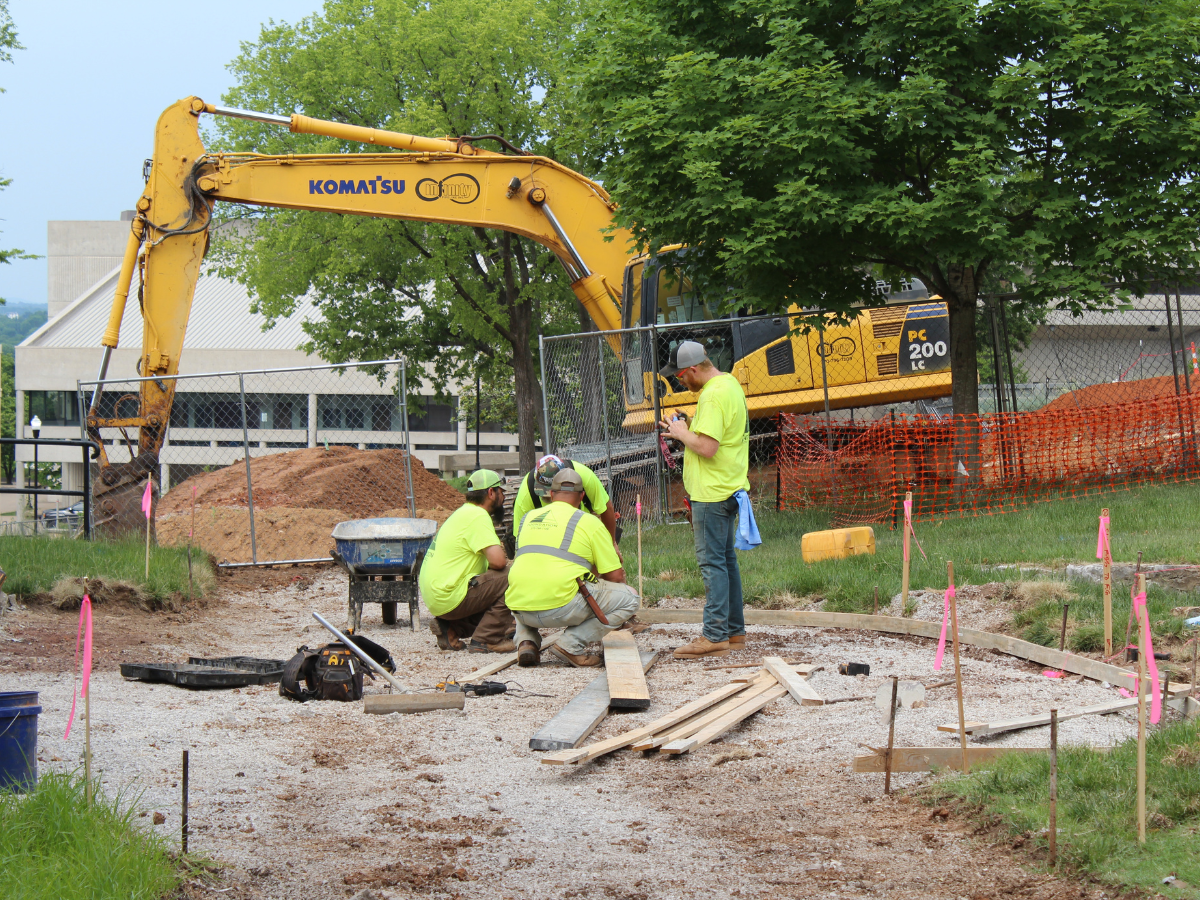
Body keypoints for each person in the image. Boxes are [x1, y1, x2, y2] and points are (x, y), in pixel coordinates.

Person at [658, 340, 750, 659]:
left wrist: (682, 433)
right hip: (729, 486)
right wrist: (683, 431)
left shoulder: (712, 395)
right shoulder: (730, 385)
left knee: (712, 564)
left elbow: (708, 448)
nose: (680, 382)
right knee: (726, 562)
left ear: (694, 370)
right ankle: (734, 631)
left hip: (712, 494)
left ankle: (713, 635)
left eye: (682, 377)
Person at [505, 468, 639, 667]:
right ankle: (570, 644)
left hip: (519, 608)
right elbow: (616, 576)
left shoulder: (527, 519)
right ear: (582, 496)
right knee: (630, 598)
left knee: (527, 585)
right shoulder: (589, 522)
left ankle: (526, 641)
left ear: (550, 493)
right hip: (561, 608)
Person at [417, 469, 515, 654]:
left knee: (492, 585)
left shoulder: (463, 513)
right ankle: (486, 639)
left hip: (437, 597)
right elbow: (499, 562)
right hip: (450, 596)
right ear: (491, 493)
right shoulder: (478, 516)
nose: (504, 496)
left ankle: (452, 629)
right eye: (501, 491)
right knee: (513, 576)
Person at [511, 455, 620, 549]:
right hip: (545, 535)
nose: (552, 499)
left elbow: (605, 508)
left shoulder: (584, 476)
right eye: (545, 495)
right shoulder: (526, 495)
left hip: (581, 528)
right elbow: (520, 538)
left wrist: (612, 544)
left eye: (553, 493)